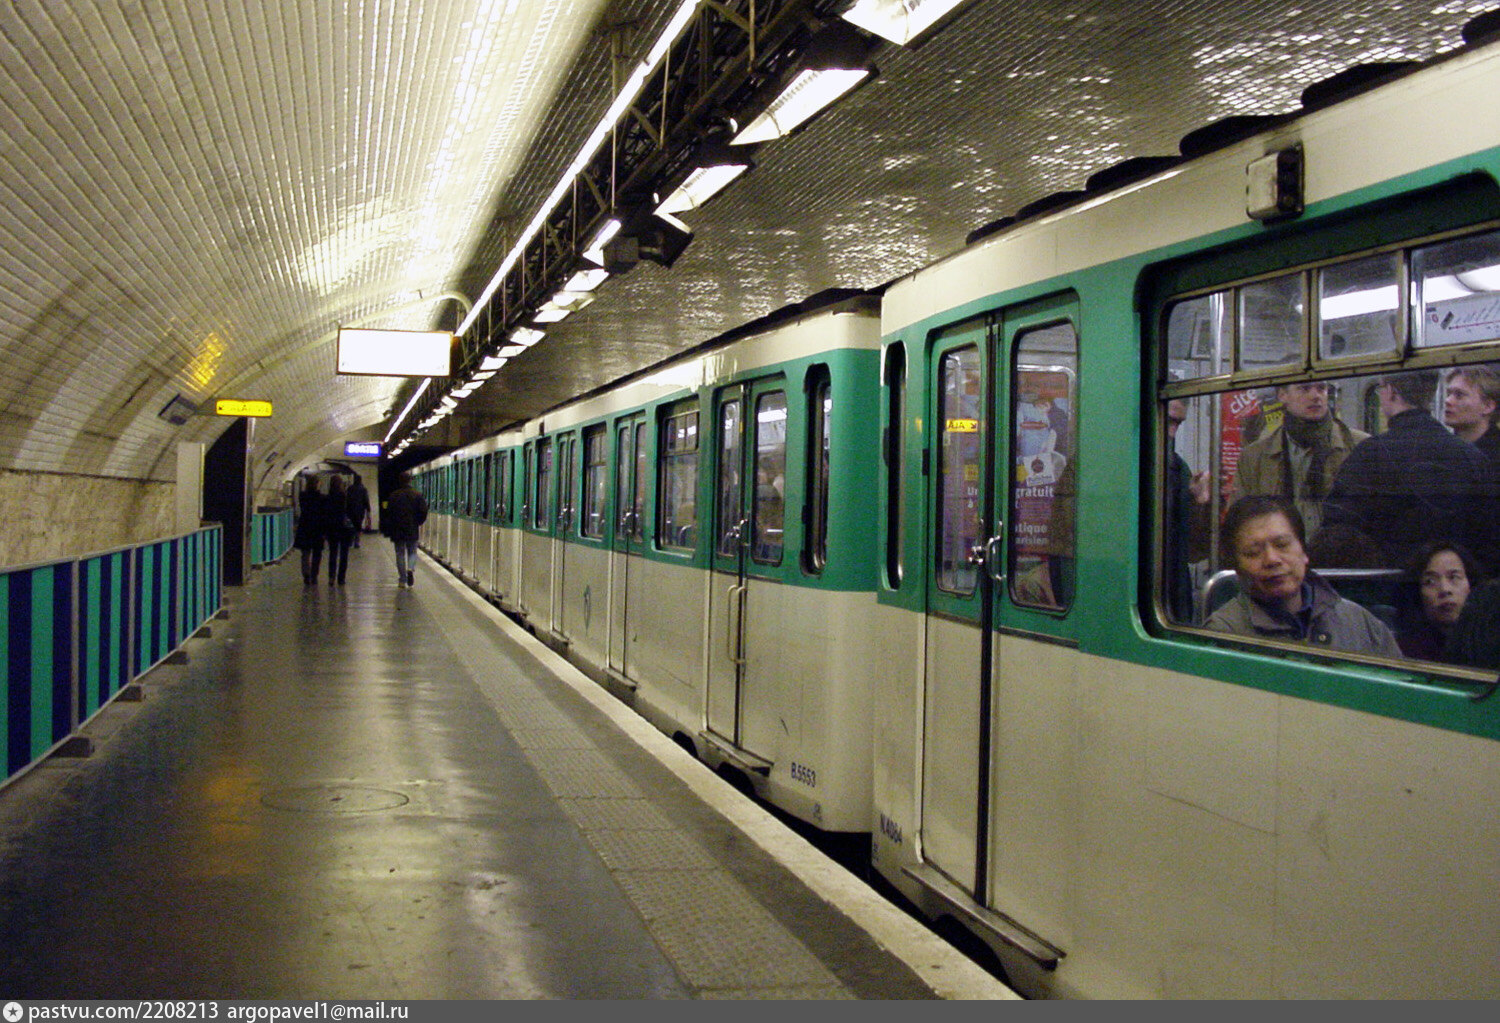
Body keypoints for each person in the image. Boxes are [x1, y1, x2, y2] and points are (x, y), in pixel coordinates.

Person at [1319, 369, 1499, 572]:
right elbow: (1489, 537)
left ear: (1391, 392)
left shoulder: (1370, 453)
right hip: (1455, 583)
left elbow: (1339, 532)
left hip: (1385, 583)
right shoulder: (1472, 457)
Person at [1206, 495, 1401, 657]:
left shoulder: (1358, 622)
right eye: (1253, 552)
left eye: (1282, 545)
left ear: (1304, 551)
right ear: (1237, 567)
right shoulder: (1223, 633)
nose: (1272, 559)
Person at [1231, 381, 1367, 540]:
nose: (1316, 396)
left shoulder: (1360, 446)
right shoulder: (1254, 457)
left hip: (1340, 550)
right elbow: (1241, 521)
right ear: (1283, 395)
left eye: (1321, 388)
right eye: (1305, 388)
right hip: (1278, 551)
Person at [1164, 398, 1211, 621]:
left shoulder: (1179, 469)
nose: (1172, 432)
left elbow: (1194, 551)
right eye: (1168, 422)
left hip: (1173, 582)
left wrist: (1199, 502)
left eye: (1178, 424)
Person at [1396, 541, 1481, 662]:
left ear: (1471, 584)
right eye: (1430, 581)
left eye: (1454, 577)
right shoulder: (1402, 653)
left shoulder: (1490, 643)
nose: (1444, 589)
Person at [1442, 365, 1500, 465]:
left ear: (1487, 406)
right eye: (1448, 394)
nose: (1448, 400)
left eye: (1459, 395)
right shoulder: (1442, 450)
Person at [383, 471, 428, 588]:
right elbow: (423, 511)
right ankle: (410, 569)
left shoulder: (393, 495)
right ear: (410, 480)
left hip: (397, 529)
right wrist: (418, 522)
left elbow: (388, 513)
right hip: (412, 528)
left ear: (400, 481)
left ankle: (402, 580)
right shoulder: (417, 495)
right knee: (412, 552)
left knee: (400, 553)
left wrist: (391, 526)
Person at [294, 476, 327, 585]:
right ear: (317, 484)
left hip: (305, 526)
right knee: (317, 553)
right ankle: (314, 575)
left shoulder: (302, 496)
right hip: (318, 527)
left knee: (305, 553)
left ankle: (306, 574)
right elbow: (323, 514)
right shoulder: (322, 498)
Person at [324, 475, 356, 586]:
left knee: (333, 553)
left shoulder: (327, 498)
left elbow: (325, 514)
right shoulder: (345, 497)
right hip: (344, 529)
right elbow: (351, 512)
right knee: (344, 554)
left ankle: (331, 577)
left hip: (332, 528)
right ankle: (341, 578)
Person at [345, 474, 372, 548]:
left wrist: (346, 510)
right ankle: (356, 542)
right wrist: (368, 510)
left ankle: (350, 541)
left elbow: (347, 500)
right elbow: (366, 500)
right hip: (360, 511)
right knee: (358, 526)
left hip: (350, 511)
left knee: (351, 526)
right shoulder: (363, 489)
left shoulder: (350, 488)